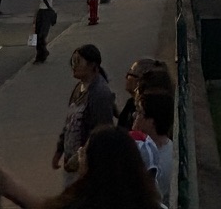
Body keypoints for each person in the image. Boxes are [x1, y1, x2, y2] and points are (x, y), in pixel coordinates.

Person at [44, 125, 162, 209]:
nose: (80, 153)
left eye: (85, 152)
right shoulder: (151, 203)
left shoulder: (77, 203)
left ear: (95, 165)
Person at [53, 45, 115, 187]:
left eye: (78, 61)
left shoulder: (99, 94)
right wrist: (60, 150)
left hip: (88, 167)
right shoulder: (78, 88)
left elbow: (102, 132)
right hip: (73, 164)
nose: (73, 66)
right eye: (72, 61)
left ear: (92, 65)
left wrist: (78, 158)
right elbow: (69, 123)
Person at [131, 91, 174, 205]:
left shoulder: (158, 160)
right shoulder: (169, 149)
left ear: (152, 122)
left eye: (140, 112)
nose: (135, 115)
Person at [117, 59, 169, 130]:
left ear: (140, 79)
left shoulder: (149, 110)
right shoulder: (130, 103)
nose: (126, 77)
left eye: (130, 73)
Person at [34, 0, 57, 64]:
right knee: (37, 35)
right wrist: (34, 18)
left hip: (47, 13)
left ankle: (43, 54)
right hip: (40, 13)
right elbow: (36, 5)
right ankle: (39, 55)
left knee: (42, 35)